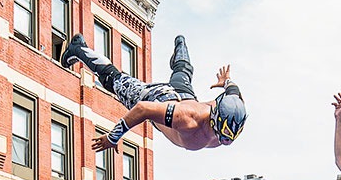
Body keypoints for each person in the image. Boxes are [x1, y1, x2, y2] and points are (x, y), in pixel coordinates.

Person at [61, 33, 247, 152]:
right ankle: (77, 48)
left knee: (182, 73)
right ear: (214, 117)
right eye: (221, 135)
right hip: (160, 97)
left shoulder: (233, 105)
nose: (221, 140)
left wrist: (226, 82)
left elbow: (234, 90)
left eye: (227, 140)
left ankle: (181, 47)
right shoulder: (189, 120)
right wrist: (113, 137)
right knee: (114, 81)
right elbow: (143, 109)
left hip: (186, 97)